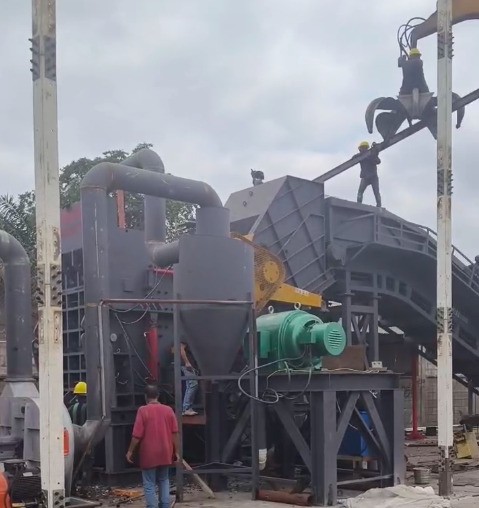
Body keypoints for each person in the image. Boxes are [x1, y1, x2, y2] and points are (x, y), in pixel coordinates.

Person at [126, 385, 179, 508]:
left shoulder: (143, 410)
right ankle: (165, 505)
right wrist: (177, 451)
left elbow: (137, 435)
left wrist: (130, 451)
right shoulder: (168, 410)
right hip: (166, 451)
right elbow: (175, 433)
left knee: (149, 483)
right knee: (164, 480)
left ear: (145, 396)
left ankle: (152, 506)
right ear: (158, 396)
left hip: (149, 453)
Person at [356, 141, 382, 208]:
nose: (361, 150)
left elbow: (378, 161)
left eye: (362, 148)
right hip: (366, 177)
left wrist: (374, 155)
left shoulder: (371, 155)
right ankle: (359, 204)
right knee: (360, 192)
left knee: (376, 192)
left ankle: (378, 205)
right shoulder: (361, 156)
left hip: (373, 177)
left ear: (365, 148)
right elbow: (353, 158)